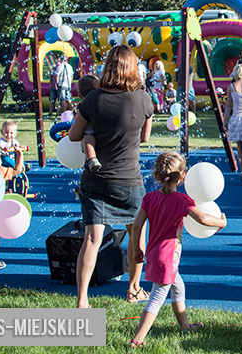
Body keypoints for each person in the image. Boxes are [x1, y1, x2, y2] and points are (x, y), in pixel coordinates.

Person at [68, 45, 154, 308]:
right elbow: (145, 137)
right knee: (137, 234)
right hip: (129, 179)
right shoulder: (143, 99)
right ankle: (134, 288)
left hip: (97, 180)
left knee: (92, 240)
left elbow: (73, 135)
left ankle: (82, 300)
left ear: (109, 67)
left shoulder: (92, 99)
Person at [128, 152, 227, 348]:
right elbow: (204, 219)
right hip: (167, 258)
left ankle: (185, 326)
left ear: (157, 175)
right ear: (182, 177)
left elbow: (137, 225)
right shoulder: (182, 200)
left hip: (155, 254)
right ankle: (137, 339)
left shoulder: (149, 198)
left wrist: (137, 250)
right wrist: (221, 222)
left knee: (178, 287)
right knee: (156, 298)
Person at [76, 74, 101, 173]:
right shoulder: (101, 104)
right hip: (102, 135)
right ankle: (92, 160)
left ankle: (91, 159)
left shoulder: (82, 106)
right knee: (88, 140)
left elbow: (75, 132)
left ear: (80, 96)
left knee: (87, 140)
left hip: (88, 135)